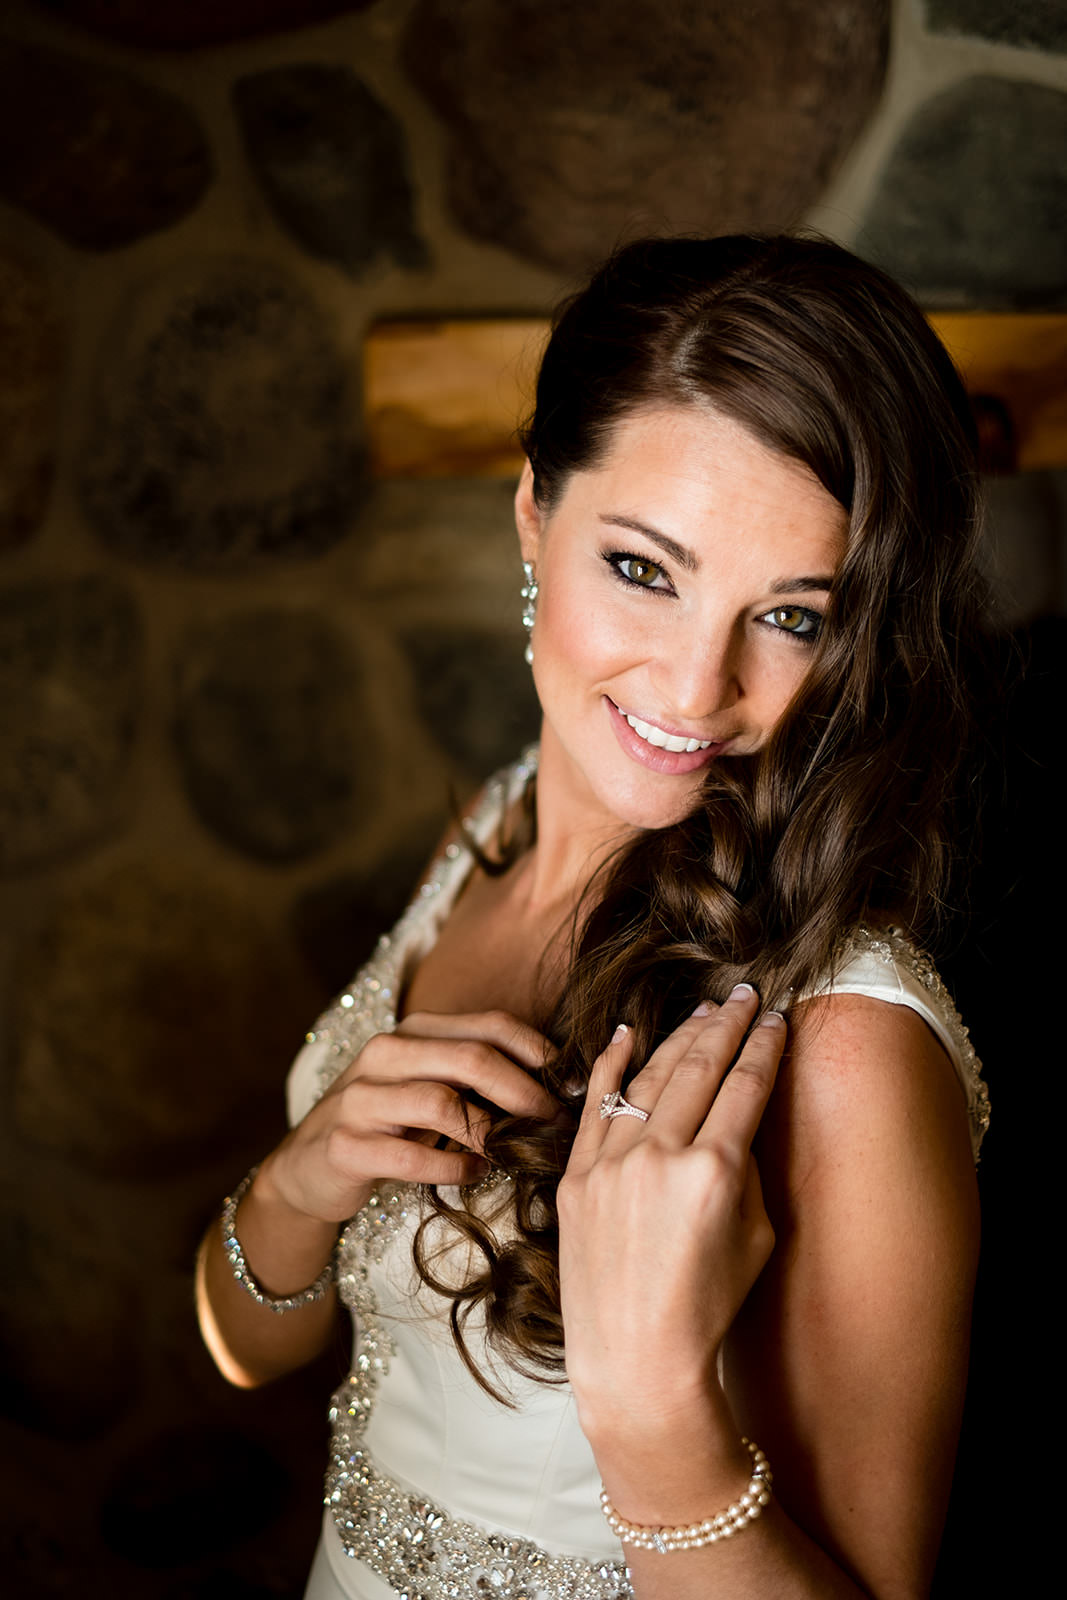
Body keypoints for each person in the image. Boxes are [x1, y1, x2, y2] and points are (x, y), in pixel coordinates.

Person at [197, 235, 991, 1600]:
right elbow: (242, 1346)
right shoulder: (491, 829)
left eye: (792, 617)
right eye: (644, 569)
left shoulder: (849, 1047)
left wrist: (650, 1412)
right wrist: (302, 1179)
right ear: (531, 517)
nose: (697, 686)